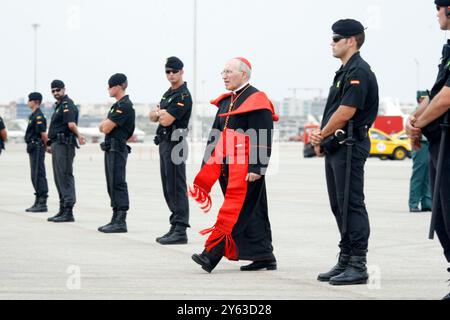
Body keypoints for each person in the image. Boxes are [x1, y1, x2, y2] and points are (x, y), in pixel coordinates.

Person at [190, 57, 279, 273]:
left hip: (247, 169)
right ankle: (264, 255)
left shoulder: (257, 99)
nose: (224, 76)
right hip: (226, 167)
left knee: (235, 212)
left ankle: (210, 255)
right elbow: (215, 135)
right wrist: (207, 164)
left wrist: (257, 168)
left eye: (229, 71)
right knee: (254, 212)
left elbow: (263, 135)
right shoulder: (225, 101)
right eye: (223, 72)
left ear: (244, 74)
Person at [310, 19, 379, 285]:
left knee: (351, 203)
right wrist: (324, 137)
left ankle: (358, 264)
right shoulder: (344, 71)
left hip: (351, 145)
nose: (332, 42)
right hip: (338, 146)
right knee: (338, 205)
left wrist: (322, 133)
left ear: (351, 40)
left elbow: (346, 112)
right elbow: (335, 110)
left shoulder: (359, 70)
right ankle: (346, 258)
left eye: (336, 38)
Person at [405, 1, 450, 300]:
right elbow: (435, 93)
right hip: (439, 143)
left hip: (448, 142)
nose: (436, 14)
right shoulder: (448, 49)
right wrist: (414, 120)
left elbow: (447, 99)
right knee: (443, 219)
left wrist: (418, 124)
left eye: (440, 8)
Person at [150, 57, 192, 245]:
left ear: (182, 71)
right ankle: (175, 225)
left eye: (174, 71)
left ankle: (181, 229)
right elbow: (153, 116)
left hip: (176, 143)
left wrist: (160, 114)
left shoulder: (183, 95)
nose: (171, 75)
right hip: (166, 143)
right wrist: (160, 113)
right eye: (167, 71)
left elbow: (166, 120)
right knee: (168, 186)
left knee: (177, 186)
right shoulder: (168, 93)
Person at [98, 74, 135, 233]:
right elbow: (105, 126)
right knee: (112, 183)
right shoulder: (117, 105)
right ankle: (115, 217)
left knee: (118, 182)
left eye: (110, 86)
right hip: (111, 148)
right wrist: (104, 125)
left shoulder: (124, 105)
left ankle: (120, 220)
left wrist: (104, 125)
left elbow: (105, 128)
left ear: (119, 86)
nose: (108, 89)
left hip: (117, 148)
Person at [47, 80, 86, 223]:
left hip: (65, 144)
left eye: (58, 90)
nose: (56, 93)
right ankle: (62, 209)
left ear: (64, 89)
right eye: (53, 91)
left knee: (65, 176)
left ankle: (68, 211)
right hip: (58, 144)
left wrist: (79, 135)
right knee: (59, 178)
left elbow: (71, 124)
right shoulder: (58, 106)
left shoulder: (67, 104)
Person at [25, 92, 49, 213]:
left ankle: (42, 202)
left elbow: (43, 134)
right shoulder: (33, 115)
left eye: (29, 100)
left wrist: (47, 146)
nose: (28, 102)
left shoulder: (39, 116)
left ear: (36, 102)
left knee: (38, 173)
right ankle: (37, 200)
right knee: (34, 175)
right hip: (33, 147)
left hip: (38, 147)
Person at [408, 91, 432, 213]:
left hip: (430, 143)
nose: (423, 101)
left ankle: (427, 202)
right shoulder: (415, 111)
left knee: (428, 174)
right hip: (420, 144)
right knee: (419, 173)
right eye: (421, 98)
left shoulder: (431, 109)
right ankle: (413, 203)